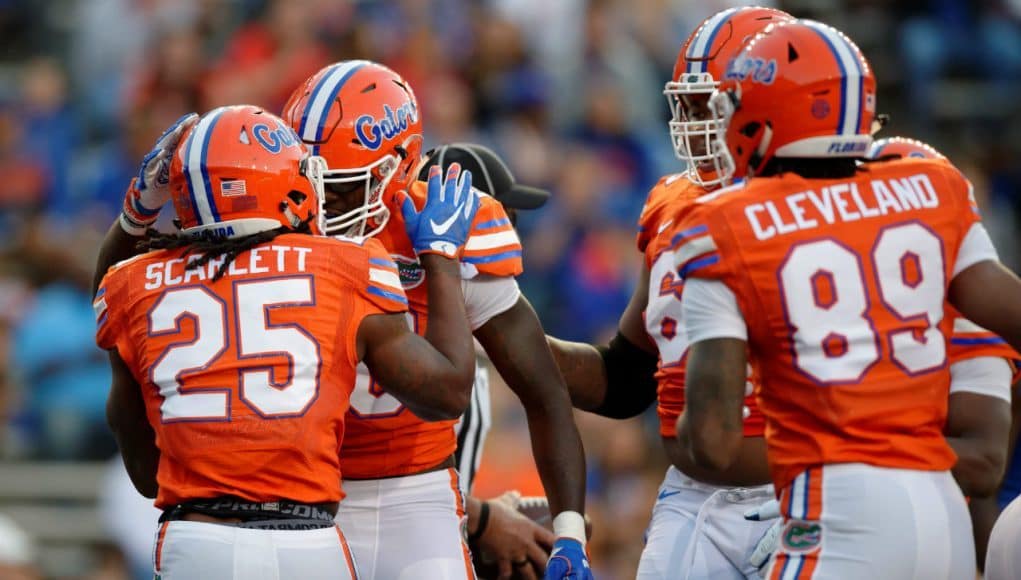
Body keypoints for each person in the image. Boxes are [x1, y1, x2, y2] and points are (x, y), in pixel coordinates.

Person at [672, 19, 1021, 578]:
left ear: (770, 113)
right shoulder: (930, 185)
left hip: (836, 513)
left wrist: (678, 414)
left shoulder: (722, 225)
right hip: (943, 515)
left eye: (737, 105)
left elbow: (711, 443)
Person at [95, 105, 480, 579]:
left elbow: (141, 470)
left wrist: (136, 214)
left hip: (195, 538)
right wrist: (441, 259)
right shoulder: (348, 265)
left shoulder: (131, 284)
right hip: (306, 538)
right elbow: (448, 392)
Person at [281, 60, 589, 580]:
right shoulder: (276, 230)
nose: (319, 205)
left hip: (417, 493)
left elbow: (544, 390)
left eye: (340, 186)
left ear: (398, 168)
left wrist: (571, 533)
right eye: (308, 185)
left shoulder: (451, 224)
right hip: (307, 494)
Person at [545, 7, 794, 579]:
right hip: (690, 495)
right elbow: (627, 376)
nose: (695, 124)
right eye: (690, 104)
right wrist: (507, 333)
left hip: (802, 490)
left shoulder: (826, 209)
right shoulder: (672, 205)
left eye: (713, 106)